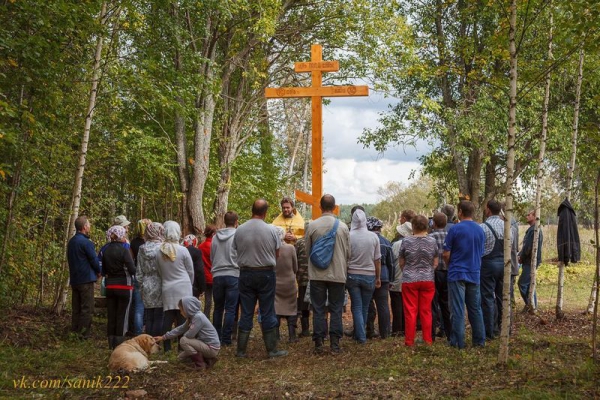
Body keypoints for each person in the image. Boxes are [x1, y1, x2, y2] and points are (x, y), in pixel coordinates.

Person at [234, 199, 287, 358]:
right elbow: (277, 254)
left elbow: (235, 249)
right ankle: (271, 350)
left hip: (245, 273)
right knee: (267, 310)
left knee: (246, 312)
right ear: (265, 212)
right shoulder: (271, 230)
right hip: (266, 273)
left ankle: (241, 351)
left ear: (252, 210)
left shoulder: (240, 229)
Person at [305, 194, 350, 354]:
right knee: (336, 308)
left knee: (318, 309)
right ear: (335, 207)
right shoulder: (343, 227)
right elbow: (348, 253)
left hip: (317, 274)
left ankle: (318, 343)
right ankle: (335, 344)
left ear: (320, 207)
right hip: (338, 274)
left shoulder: (312, 226)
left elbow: (307, 251)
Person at [443, 200, 486, 349]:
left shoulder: (455, 229)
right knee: (475, 309)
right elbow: (482, 252)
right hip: (474, 272)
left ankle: (458, 342)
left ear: (460, 211)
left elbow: (446, 253)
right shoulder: (481, 230)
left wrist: (449, 266)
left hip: (457, 273)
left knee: (458, 309)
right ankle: (479, 341)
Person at [399, 215, 438, 346]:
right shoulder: (432, 241)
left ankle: (409, 340)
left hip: (410, 279)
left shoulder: (406, 241)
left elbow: (401, 262)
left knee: (410, 311)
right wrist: (428, 270)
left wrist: (408, 270)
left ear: (413, 226)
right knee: (426, 310)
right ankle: (427, 340)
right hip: (427, 279)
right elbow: (436, 262)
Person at [157, 221, 194, 352]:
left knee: (167, 319)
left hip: (167, 287)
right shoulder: (183, 250)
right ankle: (181, 347)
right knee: (182, 319)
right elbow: (190, 271)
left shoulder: (159, 252)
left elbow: (160, 272)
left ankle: (167, 348)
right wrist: (190, 284)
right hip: (183, 287)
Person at [155, 297, 220, 369]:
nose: (180, 312)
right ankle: (208, 360)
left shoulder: (198, 318)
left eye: (181, 310)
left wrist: (186, 336)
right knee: (180, 358)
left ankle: (200, 365)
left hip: (211, 348)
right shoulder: (192, 317)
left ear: (188, 308)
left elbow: (190, 335)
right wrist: (164, 337)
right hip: (204, 345)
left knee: (183, 340)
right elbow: (181, 328)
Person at [480, 199, 511, 340]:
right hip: (505, 264)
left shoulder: (483, 227)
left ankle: (489, 330)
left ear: (488, 209)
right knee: (503, 297)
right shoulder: (507, 227)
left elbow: (480, 249)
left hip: (488, 265)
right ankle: (505, 328)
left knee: (487, 297)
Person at [102, 225, 136, 349]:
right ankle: (119, 344)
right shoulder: (124, 250)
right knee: (122, 315)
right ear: (121, 236)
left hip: (110, 286)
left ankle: (111, 343)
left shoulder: (105, 250)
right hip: (124, 287)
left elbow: (104, 269)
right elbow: (132, 269)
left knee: (111, 315)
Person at [67, 216, 101, 339]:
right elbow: (94, 260)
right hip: (85, 279)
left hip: (75, 279)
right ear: (84, 227)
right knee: (87, 308)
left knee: (76, 308)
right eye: (89, 224)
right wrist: (99, 271)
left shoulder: (71, 242)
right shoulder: (86, 242)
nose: (90, 226)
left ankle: (74, 331)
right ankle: (83, 335)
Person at [211, 211, 240, 346]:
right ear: (236, 222)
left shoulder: (216, 237)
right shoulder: (238, 235)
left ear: (224, 221)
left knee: (218, 308)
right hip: (233, 274)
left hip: (217, 274)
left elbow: (212, 255)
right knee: (230, 309)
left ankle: (216, 337)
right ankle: (226, 339)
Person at [136, 222, 165, 337]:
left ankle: (148, 340)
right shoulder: (163, 248)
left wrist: (141, 284)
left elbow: (139, 270)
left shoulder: (142, 248)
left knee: (149, 315)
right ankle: (156, 341)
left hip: (146, 282)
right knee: (159, 314)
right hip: (160, 282)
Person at [366, 216, 393, 339]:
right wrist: (391, 279)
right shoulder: (386, 242)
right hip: (384, 277)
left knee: (367, 304)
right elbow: (391, 263)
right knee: (383, 305)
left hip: (368, 275)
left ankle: (369, 330)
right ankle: (385, 332)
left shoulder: (366, 241)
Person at [273, 226, 299, 342]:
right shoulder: (291, 248)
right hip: (289, 282)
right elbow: (295, 267)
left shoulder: (271, 249)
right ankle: (292, 336)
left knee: (276, 308)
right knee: (292, 307)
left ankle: (276, 336)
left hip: (276, 282)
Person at [429, 212, 451, 340]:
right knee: (446, 304)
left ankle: (431, 334)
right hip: (448, 271)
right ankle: (449, 333)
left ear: (434, 223)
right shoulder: (450, 236)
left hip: (434, 273)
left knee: (432, 303)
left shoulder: (430, 237)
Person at [129, 219, 151, 336]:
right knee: (149, 305)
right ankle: (147, 329)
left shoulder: (133, 243)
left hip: (138, 274)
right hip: (150, 276)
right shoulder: (150, 243)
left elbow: (131, 259)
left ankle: (137, 333)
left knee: (138, 306)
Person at [390, 221, 412, 337]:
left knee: (397, 305)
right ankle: (406, 328)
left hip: (397, 278)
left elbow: (392, 260)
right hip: (409, 279)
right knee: (407, 305)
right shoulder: (413, 243)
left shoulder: (397, 244)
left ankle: (397, 329)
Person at [518, 209, 543, 310]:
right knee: (529, 284)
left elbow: (528, 248)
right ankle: (532, 305)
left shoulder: (534, 230)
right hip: (529, 261)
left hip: (530, 261)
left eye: (529, 215)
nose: (526, 216)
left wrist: (521, 257)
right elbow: (526, 246)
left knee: (523, 284)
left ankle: (531, 305)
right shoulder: (532, 229)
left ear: (534, 217)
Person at [295, 231, 311, 338]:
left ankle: (305, 329)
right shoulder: (316, 241)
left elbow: (295, 259)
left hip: (302, 278)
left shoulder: (299, 242)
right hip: (316, 278)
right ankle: (323, 330)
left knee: (303, 304)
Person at [199, 225, 216, 321]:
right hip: (214, 276)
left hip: (205, 276)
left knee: (208, 300)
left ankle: (206, 318)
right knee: (217, 300)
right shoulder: (214, 246)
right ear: (213, 234)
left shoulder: (200, 246)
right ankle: (215, 319)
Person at [183, 234, 206, 299]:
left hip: (181, 284)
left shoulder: (179, 251)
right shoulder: (197, 252)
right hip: (194, 285)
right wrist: (202, 287)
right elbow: (199, 270)